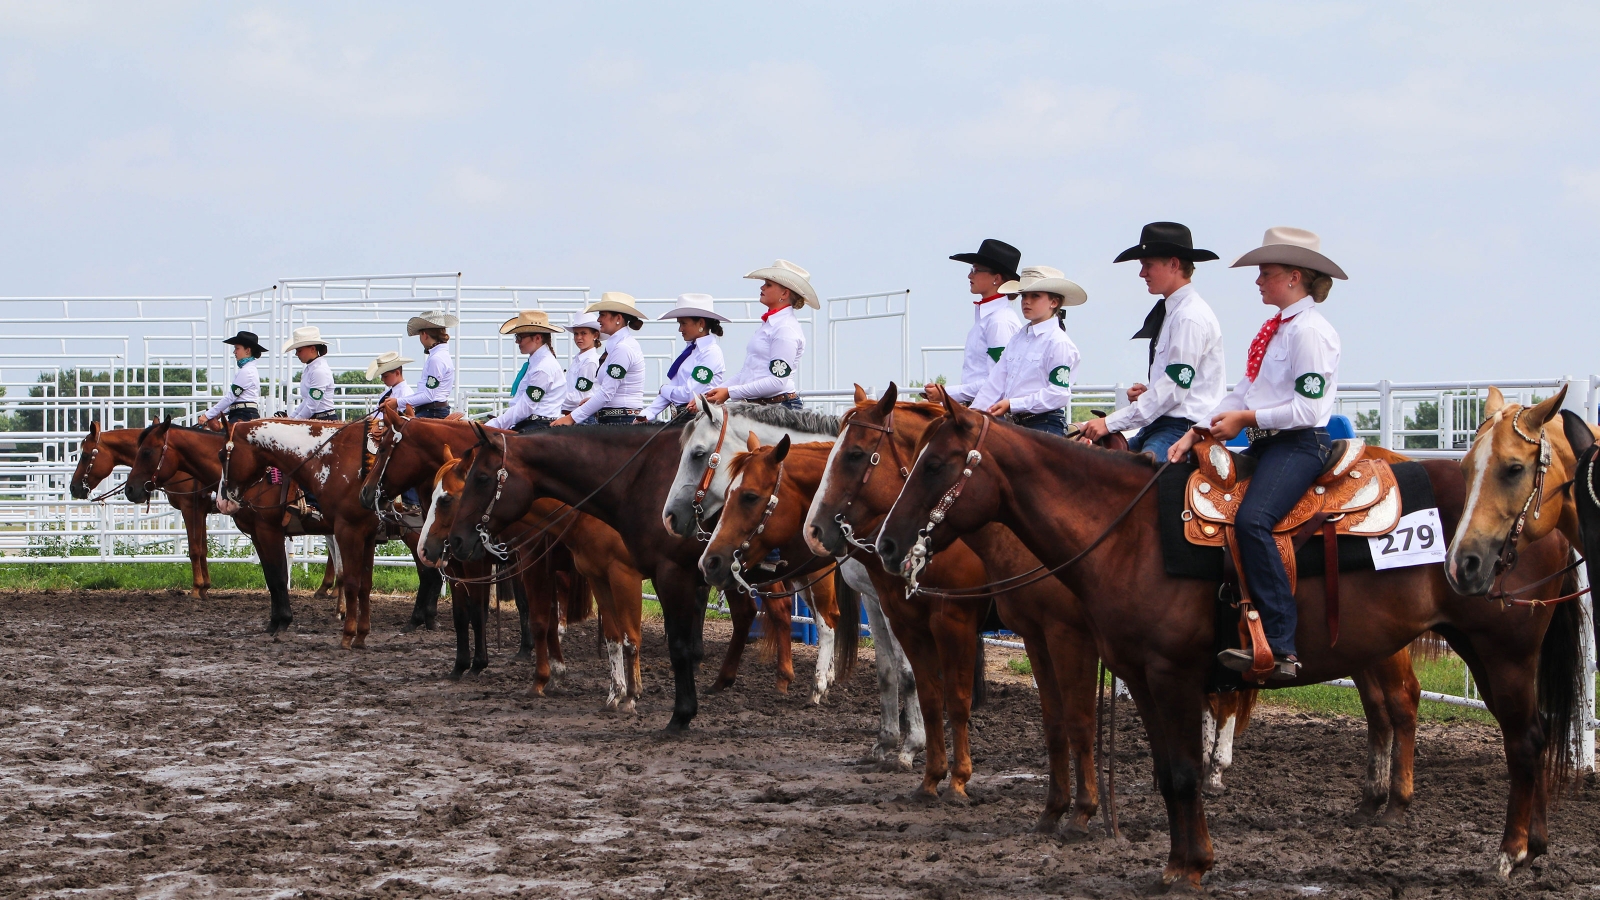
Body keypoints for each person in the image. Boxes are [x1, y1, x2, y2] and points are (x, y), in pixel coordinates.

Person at [1167, 227, 1347, 681]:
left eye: (1265, 273)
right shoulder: (1279, 329)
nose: (1258, 281)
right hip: (1271, 443)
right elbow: (1243, 389)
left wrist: (1246, 421)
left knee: (1253, 520)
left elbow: (1309, 409)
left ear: (1293, 277)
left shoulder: (1310, 332)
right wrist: (1198, 430)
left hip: (1300, 444)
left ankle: (1282, 642)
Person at [1080, 222, 1226, 459]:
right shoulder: (1177, 313)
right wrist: (1149, 394)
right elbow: (1177, 386)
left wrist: (1110, 422)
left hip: (1182, 429)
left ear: (1174, 264)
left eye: (1148, 265)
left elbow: (1174, 391)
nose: (1142, 273)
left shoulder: (1189, 317)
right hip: (1164, 426)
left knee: (1135, 481)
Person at [968, 267, 1085, 436]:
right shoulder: (1017, 339)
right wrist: (972, 413)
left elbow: (1059, 394)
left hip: (1045, 423)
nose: (1026, 301)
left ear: (1054, 302)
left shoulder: (1059, 343)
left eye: (1035, 296)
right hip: (1014, 422)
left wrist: (1013, 404)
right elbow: (995, 381)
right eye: (1024, 296)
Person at [700, 259, 815, 410]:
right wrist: (714, 393)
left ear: (785, 293)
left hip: (778, 410)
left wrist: (729, 392)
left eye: (768, 284)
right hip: (768, 407)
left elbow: (777, 382)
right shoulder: (773, 325)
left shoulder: (784, 329)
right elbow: (747, 373)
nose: (762, 287)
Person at [925, 239, 1023, 407]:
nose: (970, 275)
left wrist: (945, 394)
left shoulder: (999, 321)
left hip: (988, 414)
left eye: (976, 270)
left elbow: (997, 381)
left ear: (996, 278)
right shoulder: (990, 318)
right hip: (978, 409)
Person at [555, 293, 647, 426]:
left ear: (618, 318)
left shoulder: (622, 348)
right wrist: (593, 399)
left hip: (621, 421)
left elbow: (607, 393)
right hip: (617, 418)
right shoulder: (617, 347)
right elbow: (609, 390)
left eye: (602, 315)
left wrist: (571, 418)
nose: (598, 320)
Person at [643, 293, 727, 421]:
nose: (680, 329)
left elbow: (689, 394)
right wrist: (646, 414)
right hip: (684, 419)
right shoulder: (690, 351)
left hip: (700, 422)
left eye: (683, 323)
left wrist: (663, 389)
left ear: (701, 323)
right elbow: (675, 385)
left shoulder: (711, 353)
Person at [486, 310, 566, 433]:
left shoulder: (542, 367)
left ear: (537, 338)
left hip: (537, 426)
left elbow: (526, 407)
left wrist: (494, 424)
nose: (517, 341)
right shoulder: (538, 364)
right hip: (532, 423)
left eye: (520, 337)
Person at [396, 311, 458, 419]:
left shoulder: (436, 359)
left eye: (420, 335)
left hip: (432, 412)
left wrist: (397, 402)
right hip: (435, 410)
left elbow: (428, 395)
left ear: (424, 335)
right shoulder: (441, 356)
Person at [202, 330, 267, 425]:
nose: (234, 352)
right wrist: (220, 412)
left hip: (243, 416)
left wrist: (208, 415)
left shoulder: (247, 371)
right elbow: (236, 399)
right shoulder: (248, 370)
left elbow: (231, 397)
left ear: (247, 350)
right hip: (243, 414)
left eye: (237, 348)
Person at [282, 325, 338, 421]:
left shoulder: (319, 371)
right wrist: (291, 419)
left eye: (299, 350)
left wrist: (294, 421)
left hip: (323, 421)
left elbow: (312, 404)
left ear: (312, 349)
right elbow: (308, 401)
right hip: (320, 418)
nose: (297, 354)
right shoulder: (312, 369)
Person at [561, 312, 603, 422]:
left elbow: (580, 397)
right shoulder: (580, 359)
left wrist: (553, 396)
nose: (579, 337)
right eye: (576, 334)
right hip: (577, 415)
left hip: (581, 416)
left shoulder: (590, 361)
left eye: (583, 333)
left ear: (595, 335)